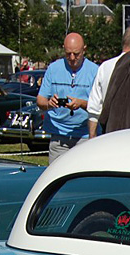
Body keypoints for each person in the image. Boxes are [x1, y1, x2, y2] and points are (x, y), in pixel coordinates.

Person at [37, 32, 98, 161]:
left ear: (84, 50)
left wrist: (81, 103)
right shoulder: (53, 69)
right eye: (68, 54)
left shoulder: (95, 71)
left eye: (76, 54)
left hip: (85, 136)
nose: (72, 58)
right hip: (58, 137)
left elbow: (100, 106)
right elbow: (40, 100)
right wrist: (49, 103)